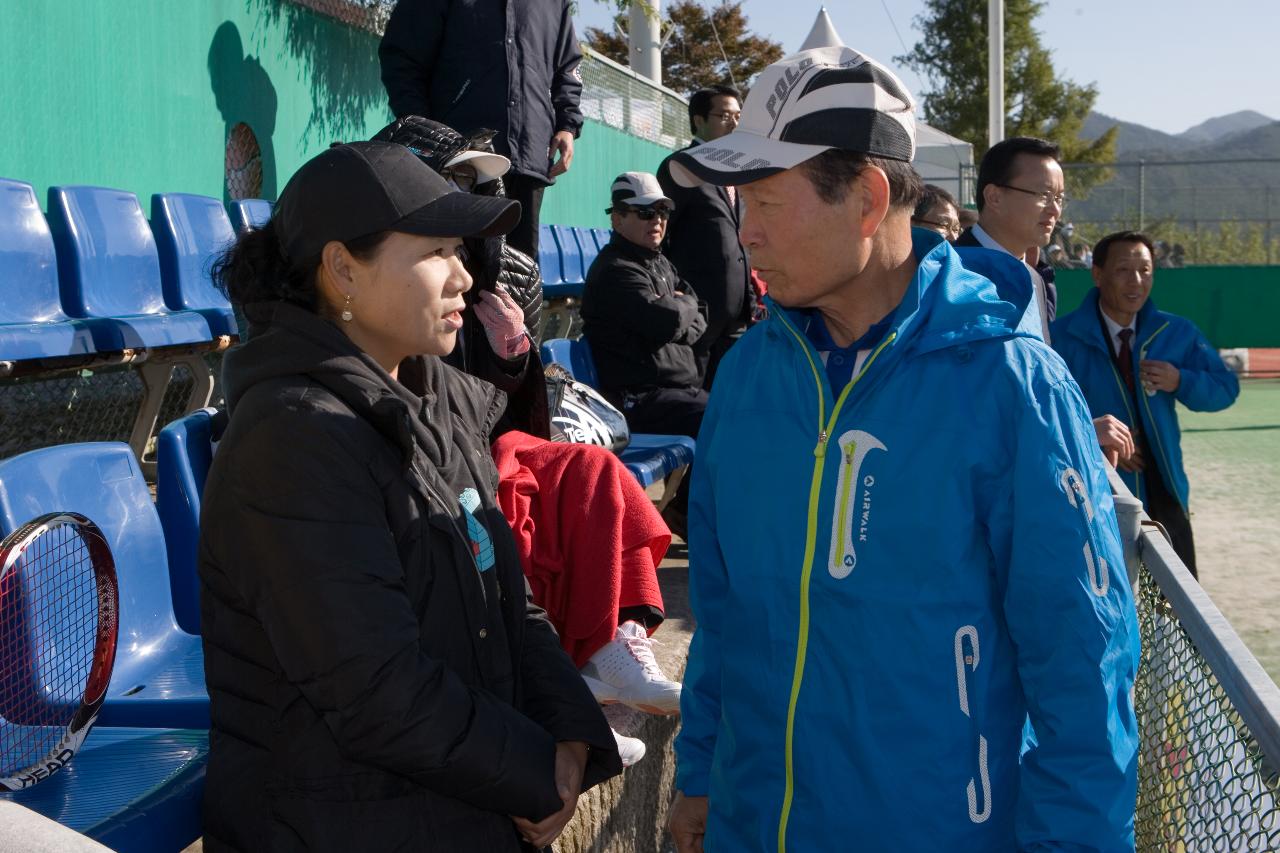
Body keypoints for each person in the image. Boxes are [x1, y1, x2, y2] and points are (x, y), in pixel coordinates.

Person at [663, 46, 1139, 851]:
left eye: (769, 201)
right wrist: (702, 773)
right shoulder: (747, 376)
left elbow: (1082, 667)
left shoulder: (1011, 384)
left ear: (868, 198)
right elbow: (722, 612)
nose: (748, 234)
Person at [198, 142, 620, 852]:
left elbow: (509, 605)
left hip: (447, 807)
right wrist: (529, 767)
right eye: (435, 252)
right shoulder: (293, 438)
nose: (464, 275)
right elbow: (378, 690)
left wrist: (570, 739)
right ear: (341, 270)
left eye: (461, 249)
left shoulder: (439, 399)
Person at [1051, 230, 1239, 577]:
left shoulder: (1176, 332)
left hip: (1166, 494)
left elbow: (1225, 388)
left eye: (1146, 270)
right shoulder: (1061, 338)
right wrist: (1096, 442)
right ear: (1098, 274)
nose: (1136, 281)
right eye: (1124, 270)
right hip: (1095, 497)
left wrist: (1181, 380)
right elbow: (1045, 414)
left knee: (1179, 611)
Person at [373, 115, 550, 437]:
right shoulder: (370, 262)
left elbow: (513, 408)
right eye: (444, 174)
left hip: (480, 444)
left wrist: (512, 359)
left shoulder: (517, 273)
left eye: (465, 177)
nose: (456, 188)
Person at [378, 0, 583, 259]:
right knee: (460, 271)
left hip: (530, 159)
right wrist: (427, 134)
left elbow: (568, 67)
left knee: (521, 275)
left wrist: (567, 124)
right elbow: (402, 60)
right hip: (460, 166)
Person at [581, 171, 708, 538]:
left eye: (663, 212)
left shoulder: (659, 262)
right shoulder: (616, 271)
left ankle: (686, 511)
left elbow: (699, 312)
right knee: (720, 417)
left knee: (735, 408)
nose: (658, 221)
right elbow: (667, 320)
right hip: (635, 400)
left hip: (670, 391)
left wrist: (681, 312)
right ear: (617, 218)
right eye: (645, 213)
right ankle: (683, 512)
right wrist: (680, 311)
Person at [657, 84, 757, 388]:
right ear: (699, 120)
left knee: (731, 392)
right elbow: (662, 233)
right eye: (724, 115)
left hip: (736, 312)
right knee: (698, 400)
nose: (735, 123)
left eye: (739, 116)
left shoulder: (735, 168)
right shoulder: (680, 167)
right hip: (698, 313)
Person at [954, 136, 1063, 341]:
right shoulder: (949, 272)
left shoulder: (1035, 279)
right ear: (994, 197)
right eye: (1044, 195)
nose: (1055, 210)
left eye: (1059, 198)